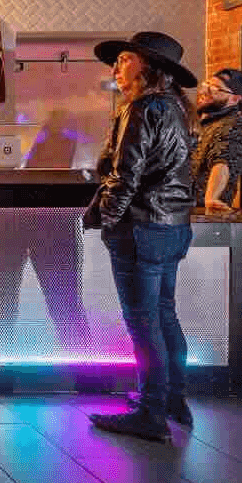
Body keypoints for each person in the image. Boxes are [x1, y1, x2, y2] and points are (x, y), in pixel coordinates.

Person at [83, 31, 197, 442]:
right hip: (173, 227)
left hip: (141, 228)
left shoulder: (142, 108)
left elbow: (125, 174)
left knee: (143, 323)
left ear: (148, 67)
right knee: (164, 315)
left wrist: (108, 218)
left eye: (125, 59)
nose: (116, 66)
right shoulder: (176, 109)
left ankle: (150, 413)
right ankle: (172, 401)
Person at [192, 68, 242, 210]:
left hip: (206, 216)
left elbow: (222, 160)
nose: (204, 91)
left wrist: (212, 197)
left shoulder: (234, 125)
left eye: (215, 89)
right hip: (186, 214)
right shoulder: (205, 123)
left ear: (235, 98)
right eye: (205, 85)